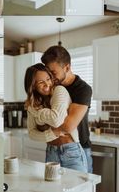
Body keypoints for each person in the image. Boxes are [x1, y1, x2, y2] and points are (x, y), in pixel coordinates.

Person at [24, 63, 87, 172]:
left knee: (78, 188)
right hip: (51, 152)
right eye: (40, 82)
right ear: (33, 85)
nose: (47, 84)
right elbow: (32, 134)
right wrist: (53, 133)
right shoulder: (33, 102)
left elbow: (56, 120)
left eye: (48, 79)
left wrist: (35, 112)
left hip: (71, 152)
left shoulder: (59, 90)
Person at [41, 45, 93, 173]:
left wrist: (45, 123)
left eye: (53, 73)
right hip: (52, 149)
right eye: (49, 74)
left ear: (67, 67)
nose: (51, 79)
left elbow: (68, 126)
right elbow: (42, 122)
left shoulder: (82, 89)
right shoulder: (51, 88)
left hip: (77, 149)